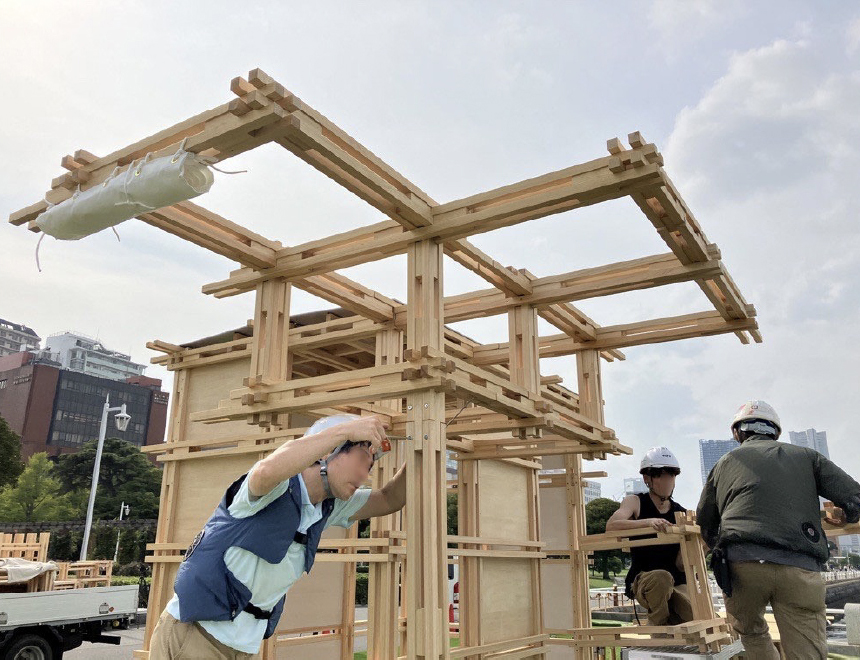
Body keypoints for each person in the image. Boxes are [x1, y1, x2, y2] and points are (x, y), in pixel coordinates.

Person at [149, 414, 406, 659]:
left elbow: (388, 498)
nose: (365, 475)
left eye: (369, 467)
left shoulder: (328, 507)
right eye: (362, 460)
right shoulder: (275, 487)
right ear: (329, 452)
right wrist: (344, 430)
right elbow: (265, 472)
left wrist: (426, 445)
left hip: (244, 647)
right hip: (196, 635)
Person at [697, 400, 860, 659]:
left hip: (743, 566)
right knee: (807, 646)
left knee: (750, 632)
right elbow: (854, 496)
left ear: (737, 433)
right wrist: (847, 514)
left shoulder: (725, 462)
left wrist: (721, 549)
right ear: (776, 432)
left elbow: (705, 520)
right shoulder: (807, 456)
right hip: (799, 565)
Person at [606, 446, 693, 627]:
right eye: (662, 475)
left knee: (696, 614)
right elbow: (612, 526)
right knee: (661, 578)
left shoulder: (681, 513)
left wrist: (703, 543)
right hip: (645, 579)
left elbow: (681, 565)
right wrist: (648, 522)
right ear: (648, 478)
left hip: (676, 581)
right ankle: (658, 630)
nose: (668, 480)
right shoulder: (635, 502)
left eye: (672, 475)